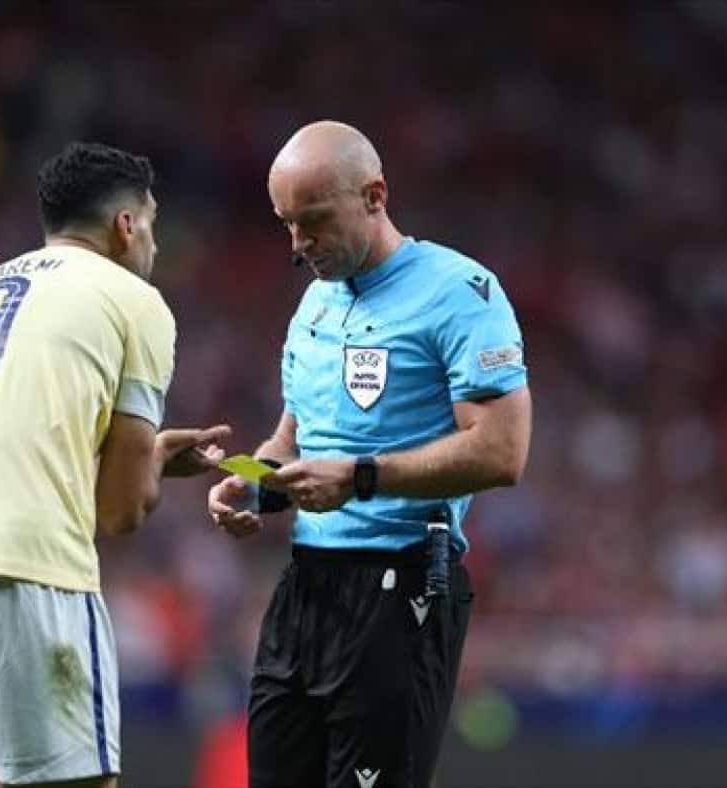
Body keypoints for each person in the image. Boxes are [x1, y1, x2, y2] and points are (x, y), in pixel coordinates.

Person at [0, 141, 229, 788]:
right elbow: (121, 512)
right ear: (127, 225)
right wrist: (145, 466)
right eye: (150, 223)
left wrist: (140, 455)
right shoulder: (132, 299)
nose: (152, 244)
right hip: (26, 568)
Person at [208, 121, 532, 788]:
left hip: (401, 589)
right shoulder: (315, 304)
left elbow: (503, 451)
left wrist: (361, 479)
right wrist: (256, 485)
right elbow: (292, 438)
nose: (299, 246)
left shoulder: (459, 292)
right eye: (286, 225)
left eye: (315, 222)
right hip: (303, 590)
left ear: (375, 194)